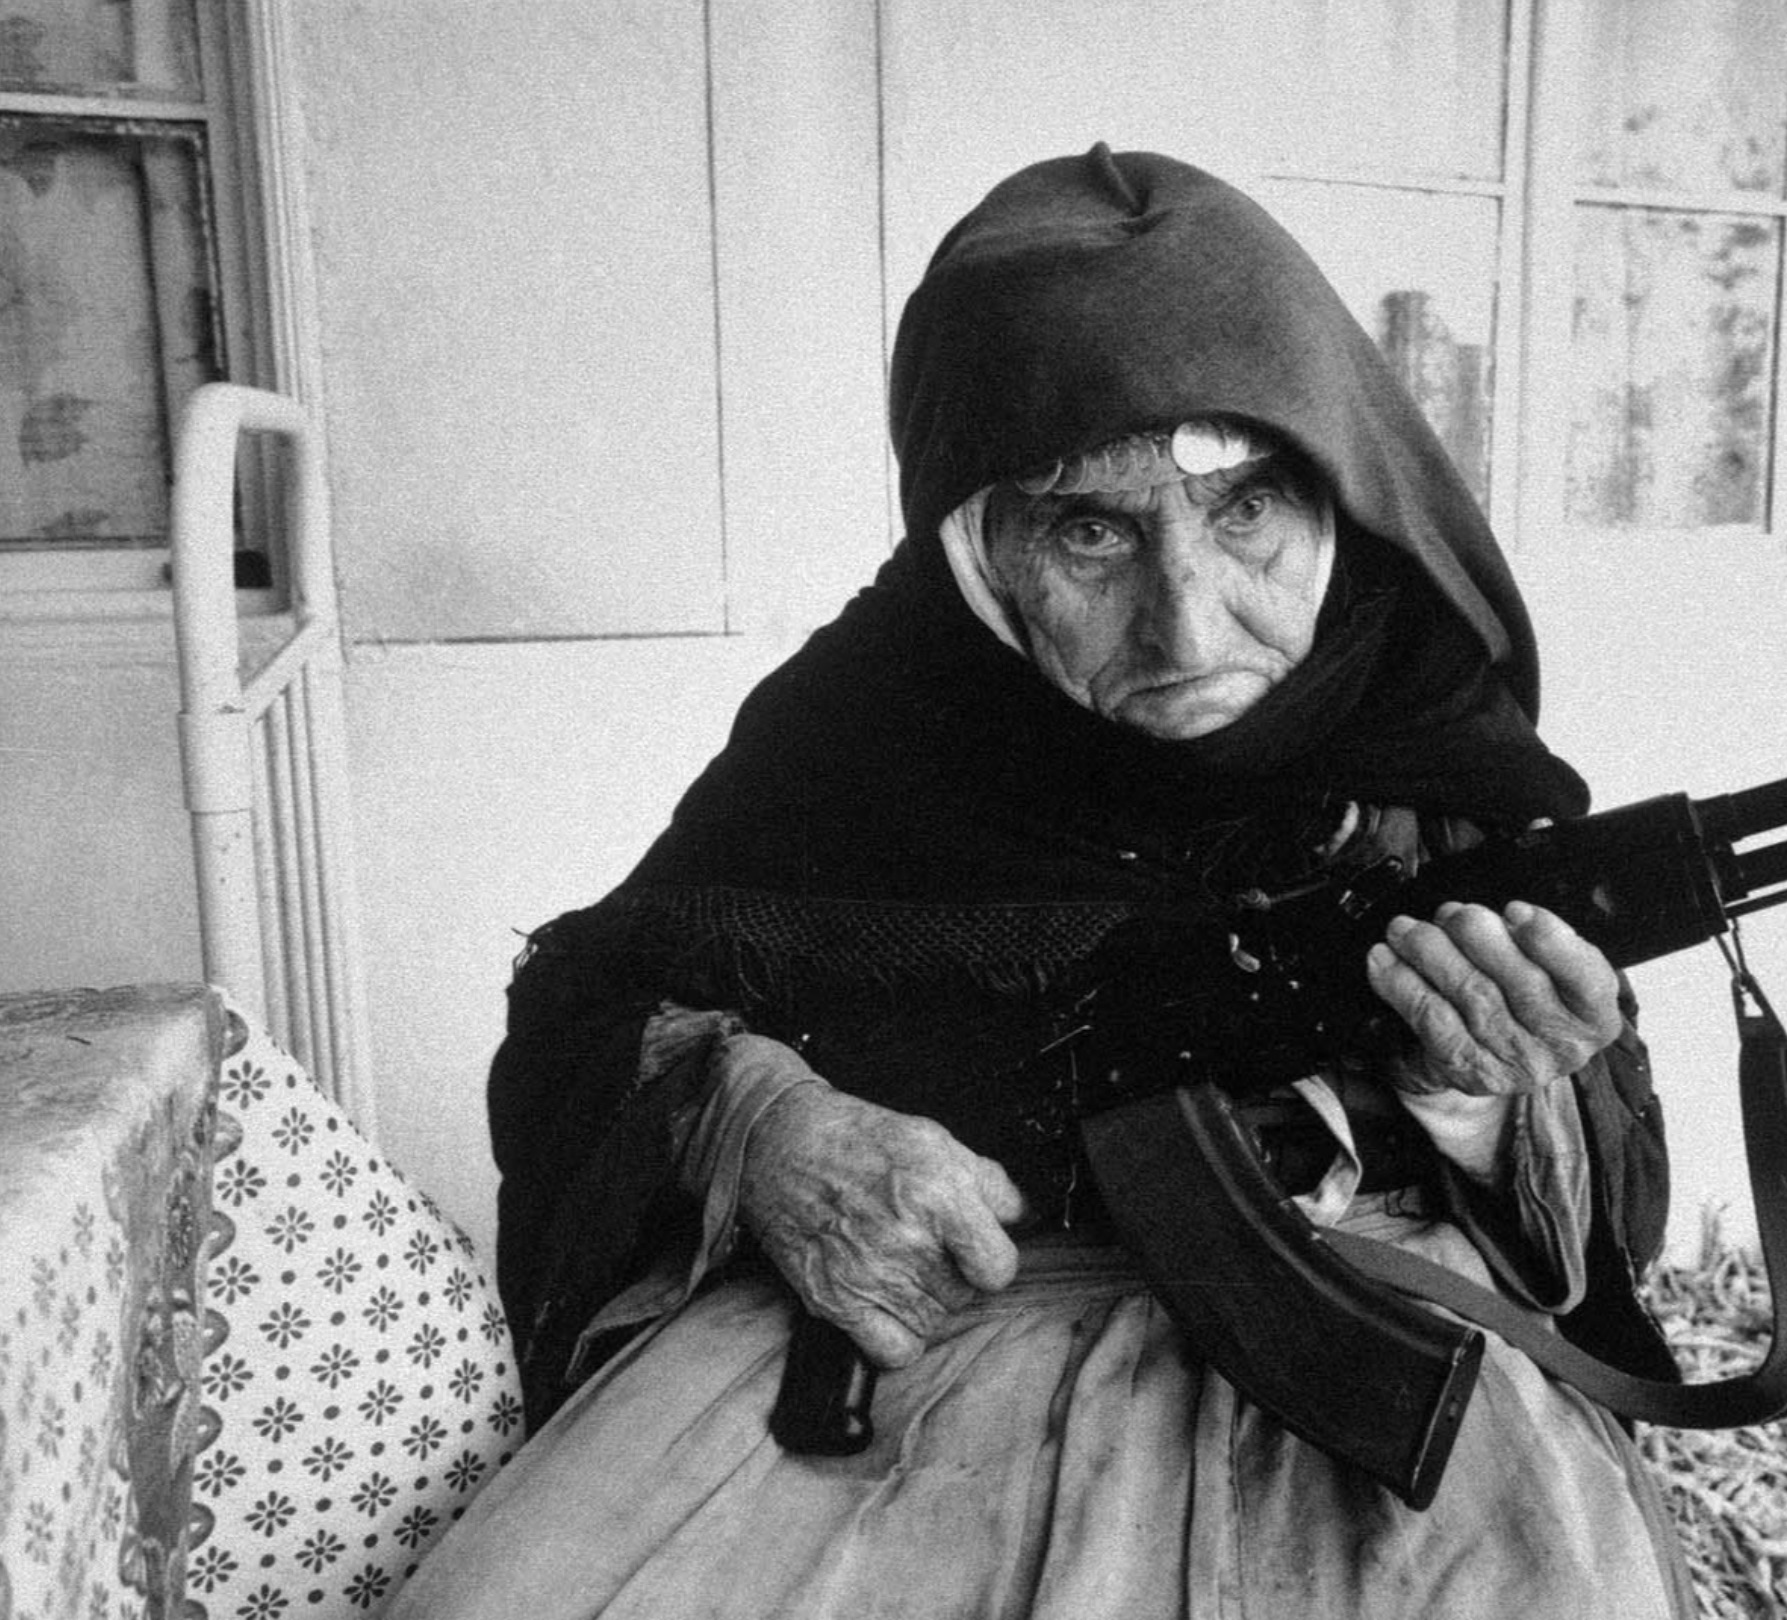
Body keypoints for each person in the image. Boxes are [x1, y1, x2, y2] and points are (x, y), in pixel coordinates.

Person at [392, 145, 1695, 1619]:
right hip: (912, 1351)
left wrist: (1488, 1100)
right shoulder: (865, 727)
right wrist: (764, 1130)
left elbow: (1609, 1218)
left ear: (1343, 495)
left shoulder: (1428, 740)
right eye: (1090, 529)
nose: (1186, 620)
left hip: (1371, 1338)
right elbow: (589, 1010)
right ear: (978, 547)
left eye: (1246, 508)